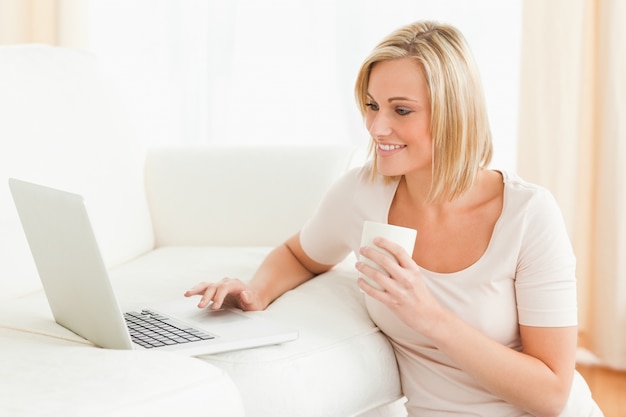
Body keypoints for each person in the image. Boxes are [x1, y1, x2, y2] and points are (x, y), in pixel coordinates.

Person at [185, 20, 603, 416]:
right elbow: (299, 254)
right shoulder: (361, 194)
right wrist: (256, 292)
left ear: (453, 113)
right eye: (371, 106)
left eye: (401, 111)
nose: (376, 127)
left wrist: (429, 316)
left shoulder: (528, 215)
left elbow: (551, 395)